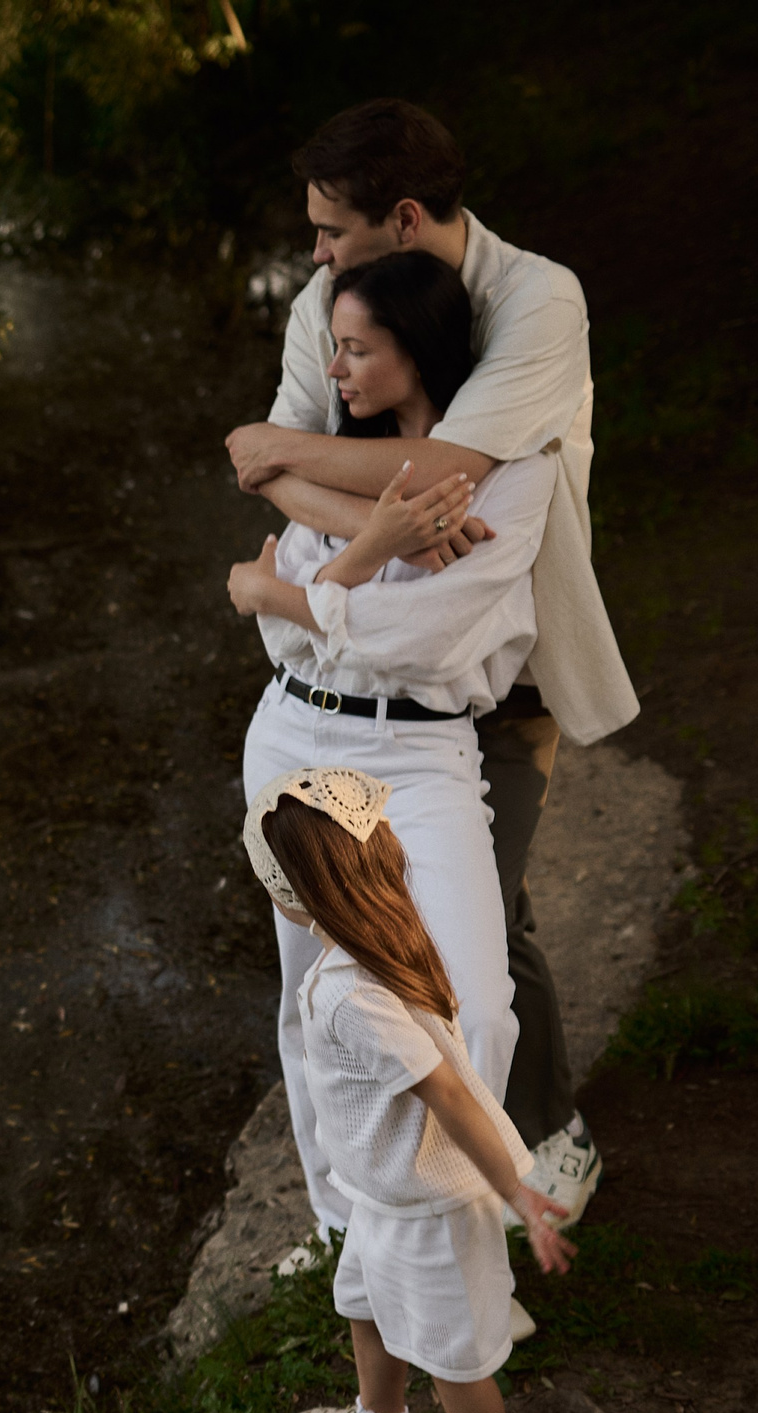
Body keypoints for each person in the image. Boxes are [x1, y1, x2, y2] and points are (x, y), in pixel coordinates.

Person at [225, 98, 636, 1223]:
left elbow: (457, 465)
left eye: (330, 231)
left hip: (500, 665)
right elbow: (285, 471)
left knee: (482, 932)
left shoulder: (536, 299)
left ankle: (538, 1143)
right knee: (380, 935)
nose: (312, 258)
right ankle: (397, 1201)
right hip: (359, 675)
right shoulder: (327, 305)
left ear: (402, 219)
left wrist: (294, 473)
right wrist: (378, 518)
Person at [228, 247, 553, 1244]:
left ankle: (451, 1219)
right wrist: (365, 556)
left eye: (358, 350)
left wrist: (282, 590)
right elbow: (284, 630)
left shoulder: (512, 477)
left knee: (472, 1001)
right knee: (310, 999)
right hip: (294, 731)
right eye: (335, 348)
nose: (336, 371)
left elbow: (427, 640)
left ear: (415, 351)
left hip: (420, 753)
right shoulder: (333, 447)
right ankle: (351, 1237)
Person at [241, 768, 576, 1413]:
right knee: (361, 1302)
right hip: (382, 1192)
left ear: (291, 896)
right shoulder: (382, 937)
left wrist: (517, 1193)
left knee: (449, 1354)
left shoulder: (351, 994)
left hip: (427, 1207)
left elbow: (451, 1097)